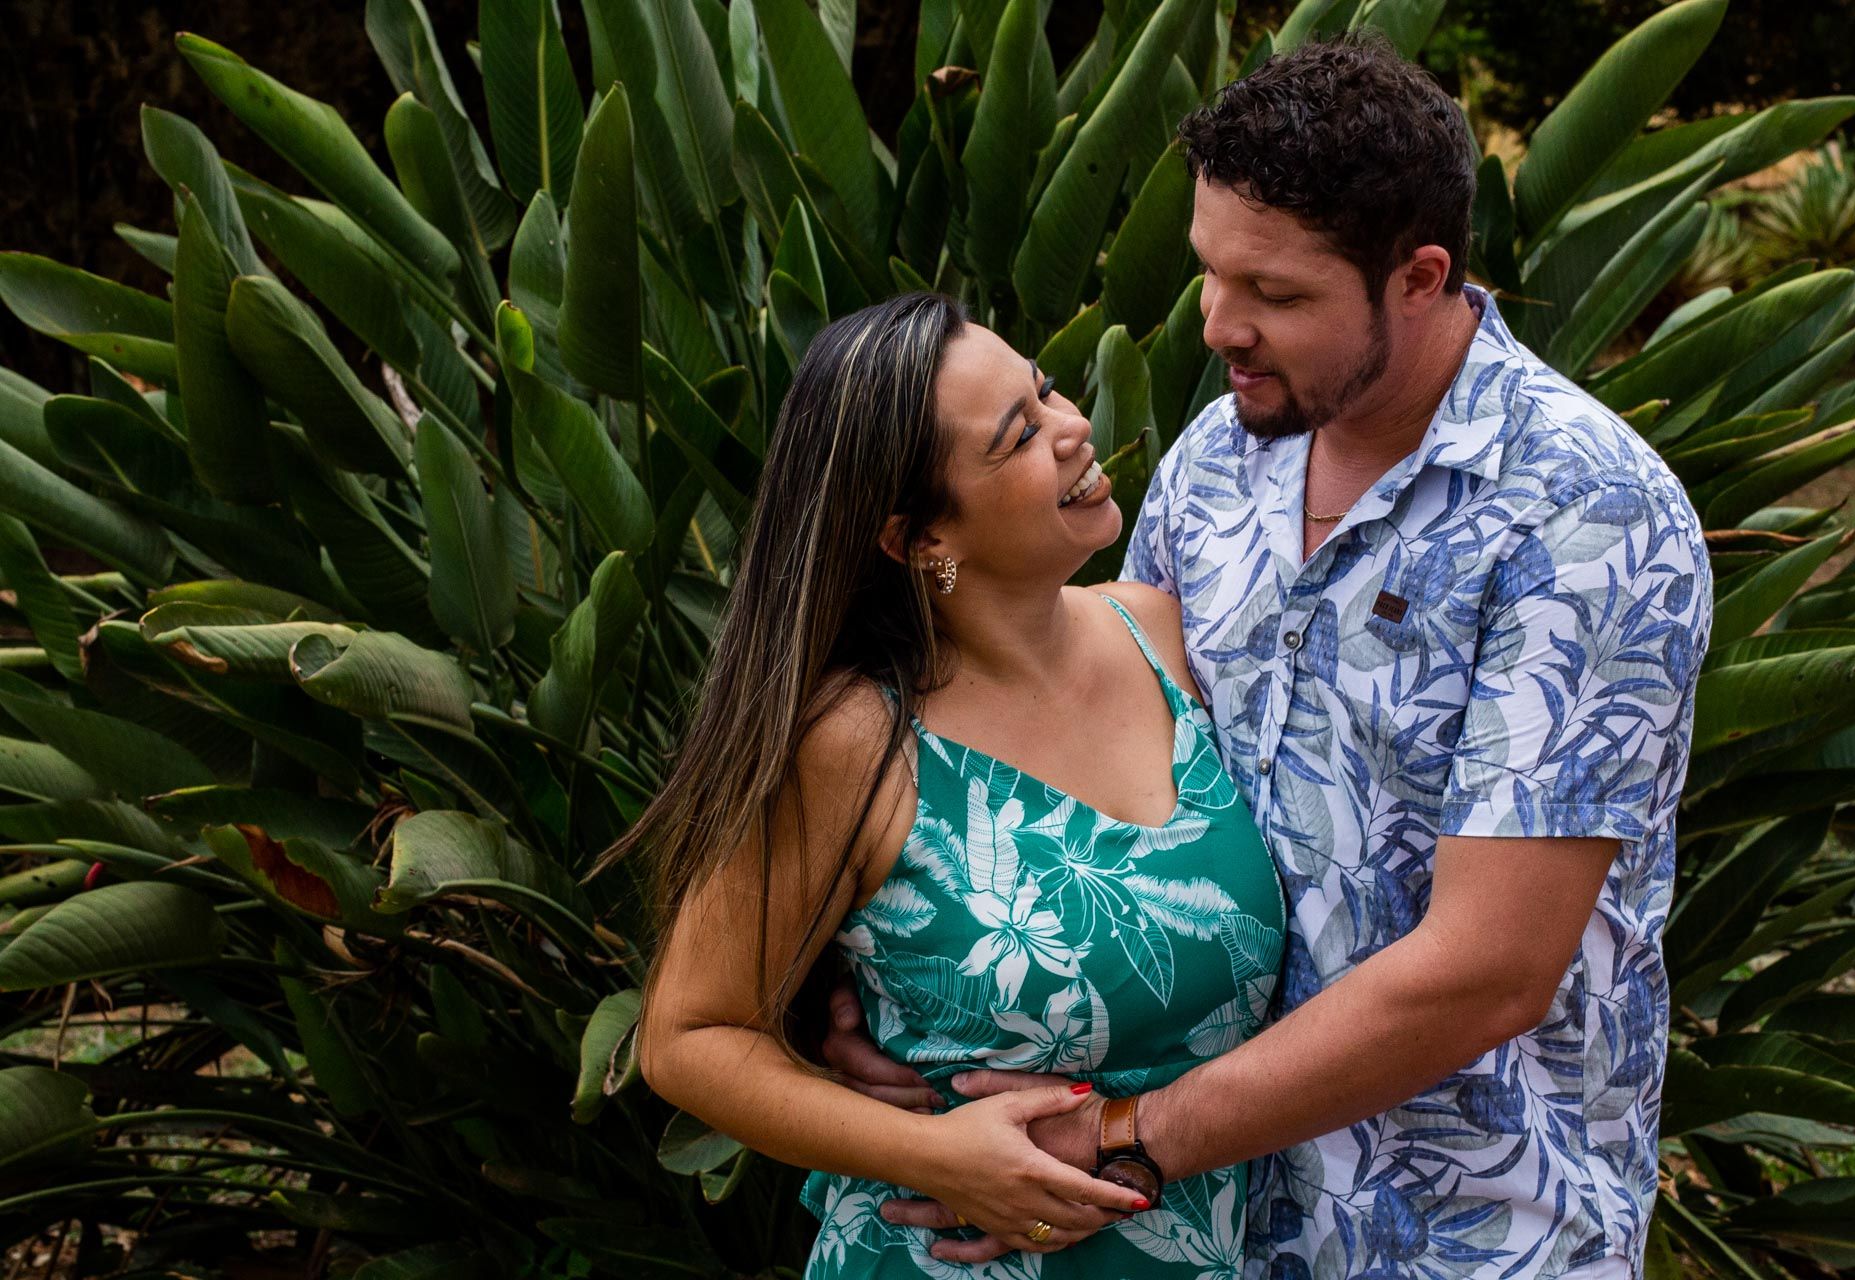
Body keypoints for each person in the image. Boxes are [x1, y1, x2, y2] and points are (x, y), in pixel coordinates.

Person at [823, 33, 1712, 1280]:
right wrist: (906, 1008)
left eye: (1279, 296)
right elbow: (1079, 745)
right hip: (1214, 1235)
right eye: (1211, 272)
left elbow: (1489, 970)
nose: (1220, 326)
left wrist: (1130, 1138)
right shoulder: (1215, 465)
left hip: (1469, 1234)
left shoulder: (1588, 517)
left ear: (1422, 277)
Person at [618, 290, 1290, 1277]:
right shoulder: (855, 740)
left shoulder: (1166, 634)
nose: (1072, 429)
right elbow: (687, 1035)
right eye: (1019, 436)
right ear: (920, 540)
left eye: (1050, 392)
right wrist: (935, 1152)